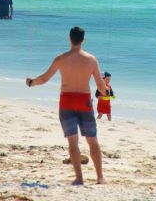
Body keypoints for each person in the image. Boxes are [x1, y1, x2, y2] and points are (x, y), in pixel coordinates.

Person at [25, 26, 108, 186]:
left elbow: (44, 78)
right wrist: (105, 91)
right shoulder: (91, 59)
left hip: (67, 101)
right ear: (83, 40)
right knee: (92, 140)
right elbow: (100, 86)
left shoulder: (61, 58)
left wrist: (31, 83)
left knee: (73, 142)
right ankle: (100, 178)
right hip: (84, 101)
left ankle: (79, 178)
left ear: (70, 39)